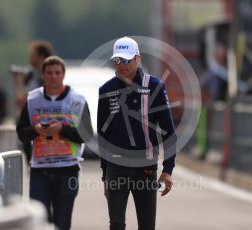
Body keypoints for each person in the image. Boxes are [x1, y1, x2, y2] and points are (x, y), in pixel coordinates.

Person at [98, 37, 178, 230]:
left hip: (146, 167)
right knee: (116, 224)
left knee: (147, 225)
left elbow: (168, 130)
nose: (122, 65)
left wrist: (168, 170)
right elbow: (103, 135)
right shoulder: (106, 90)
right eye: (117, 60)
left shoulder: (155, 86)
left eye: (126, 60)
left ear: (138, 59)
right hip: (116, 168)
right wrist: (105, 174)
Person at [16, 56, 93, 230]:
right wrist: (35, 130)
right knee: (38, 221)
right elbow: (21, 133)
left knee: (62, 222)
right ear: (43, 75)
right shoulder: (32, 99)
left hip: (68, 169)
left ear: (63, 74)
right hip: (39, 170)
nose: (53, 77)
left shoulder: (77, 100)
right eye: (49, 73)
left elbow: (87, 135)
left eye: (57, 73)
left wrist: (62, 129)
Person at [13, 40, 53, 161]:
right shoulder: (39, 76)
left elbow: (21, 101)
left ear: (41, 57)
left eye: (32, 55)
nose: (30, 58)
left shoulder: (42, 78)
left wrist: (18, 83)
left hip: (39, 131)